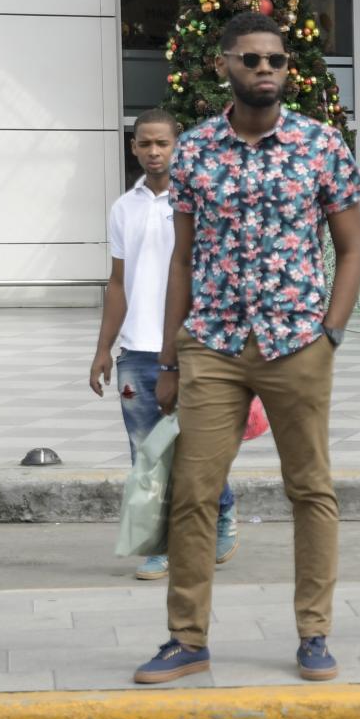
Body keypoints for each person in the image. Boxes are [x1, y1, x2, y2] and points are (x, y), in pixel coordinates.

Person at [133, 11, 360, 686]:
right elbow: (182, 260)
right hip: (211, 343)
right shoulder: (197, 150)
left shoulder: (321, 145)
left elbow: (351, 249)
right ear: (225, 66)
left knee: (311, 488)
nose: (265, 68)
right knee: (193, 491)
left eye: (276, 60)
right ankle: (186, 638)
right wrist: (171, 357)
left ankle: (314, 632)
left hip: (297, 342)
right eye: (251, 58)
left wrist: (330, 334)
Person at [89, 110, 238, 582]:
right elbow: (117, 283)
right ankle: (162, 546)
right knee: (146, 454)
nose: (153, 152)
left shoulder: (200, 202)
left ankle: (224, 516)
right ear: (133, 147)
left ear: (178, 146)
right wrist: (102, 349)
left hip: (194, 347)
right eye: (144, 144)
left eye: (162, 144)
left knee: (199, 449)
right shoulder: (122, 208)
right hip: (136, 352)